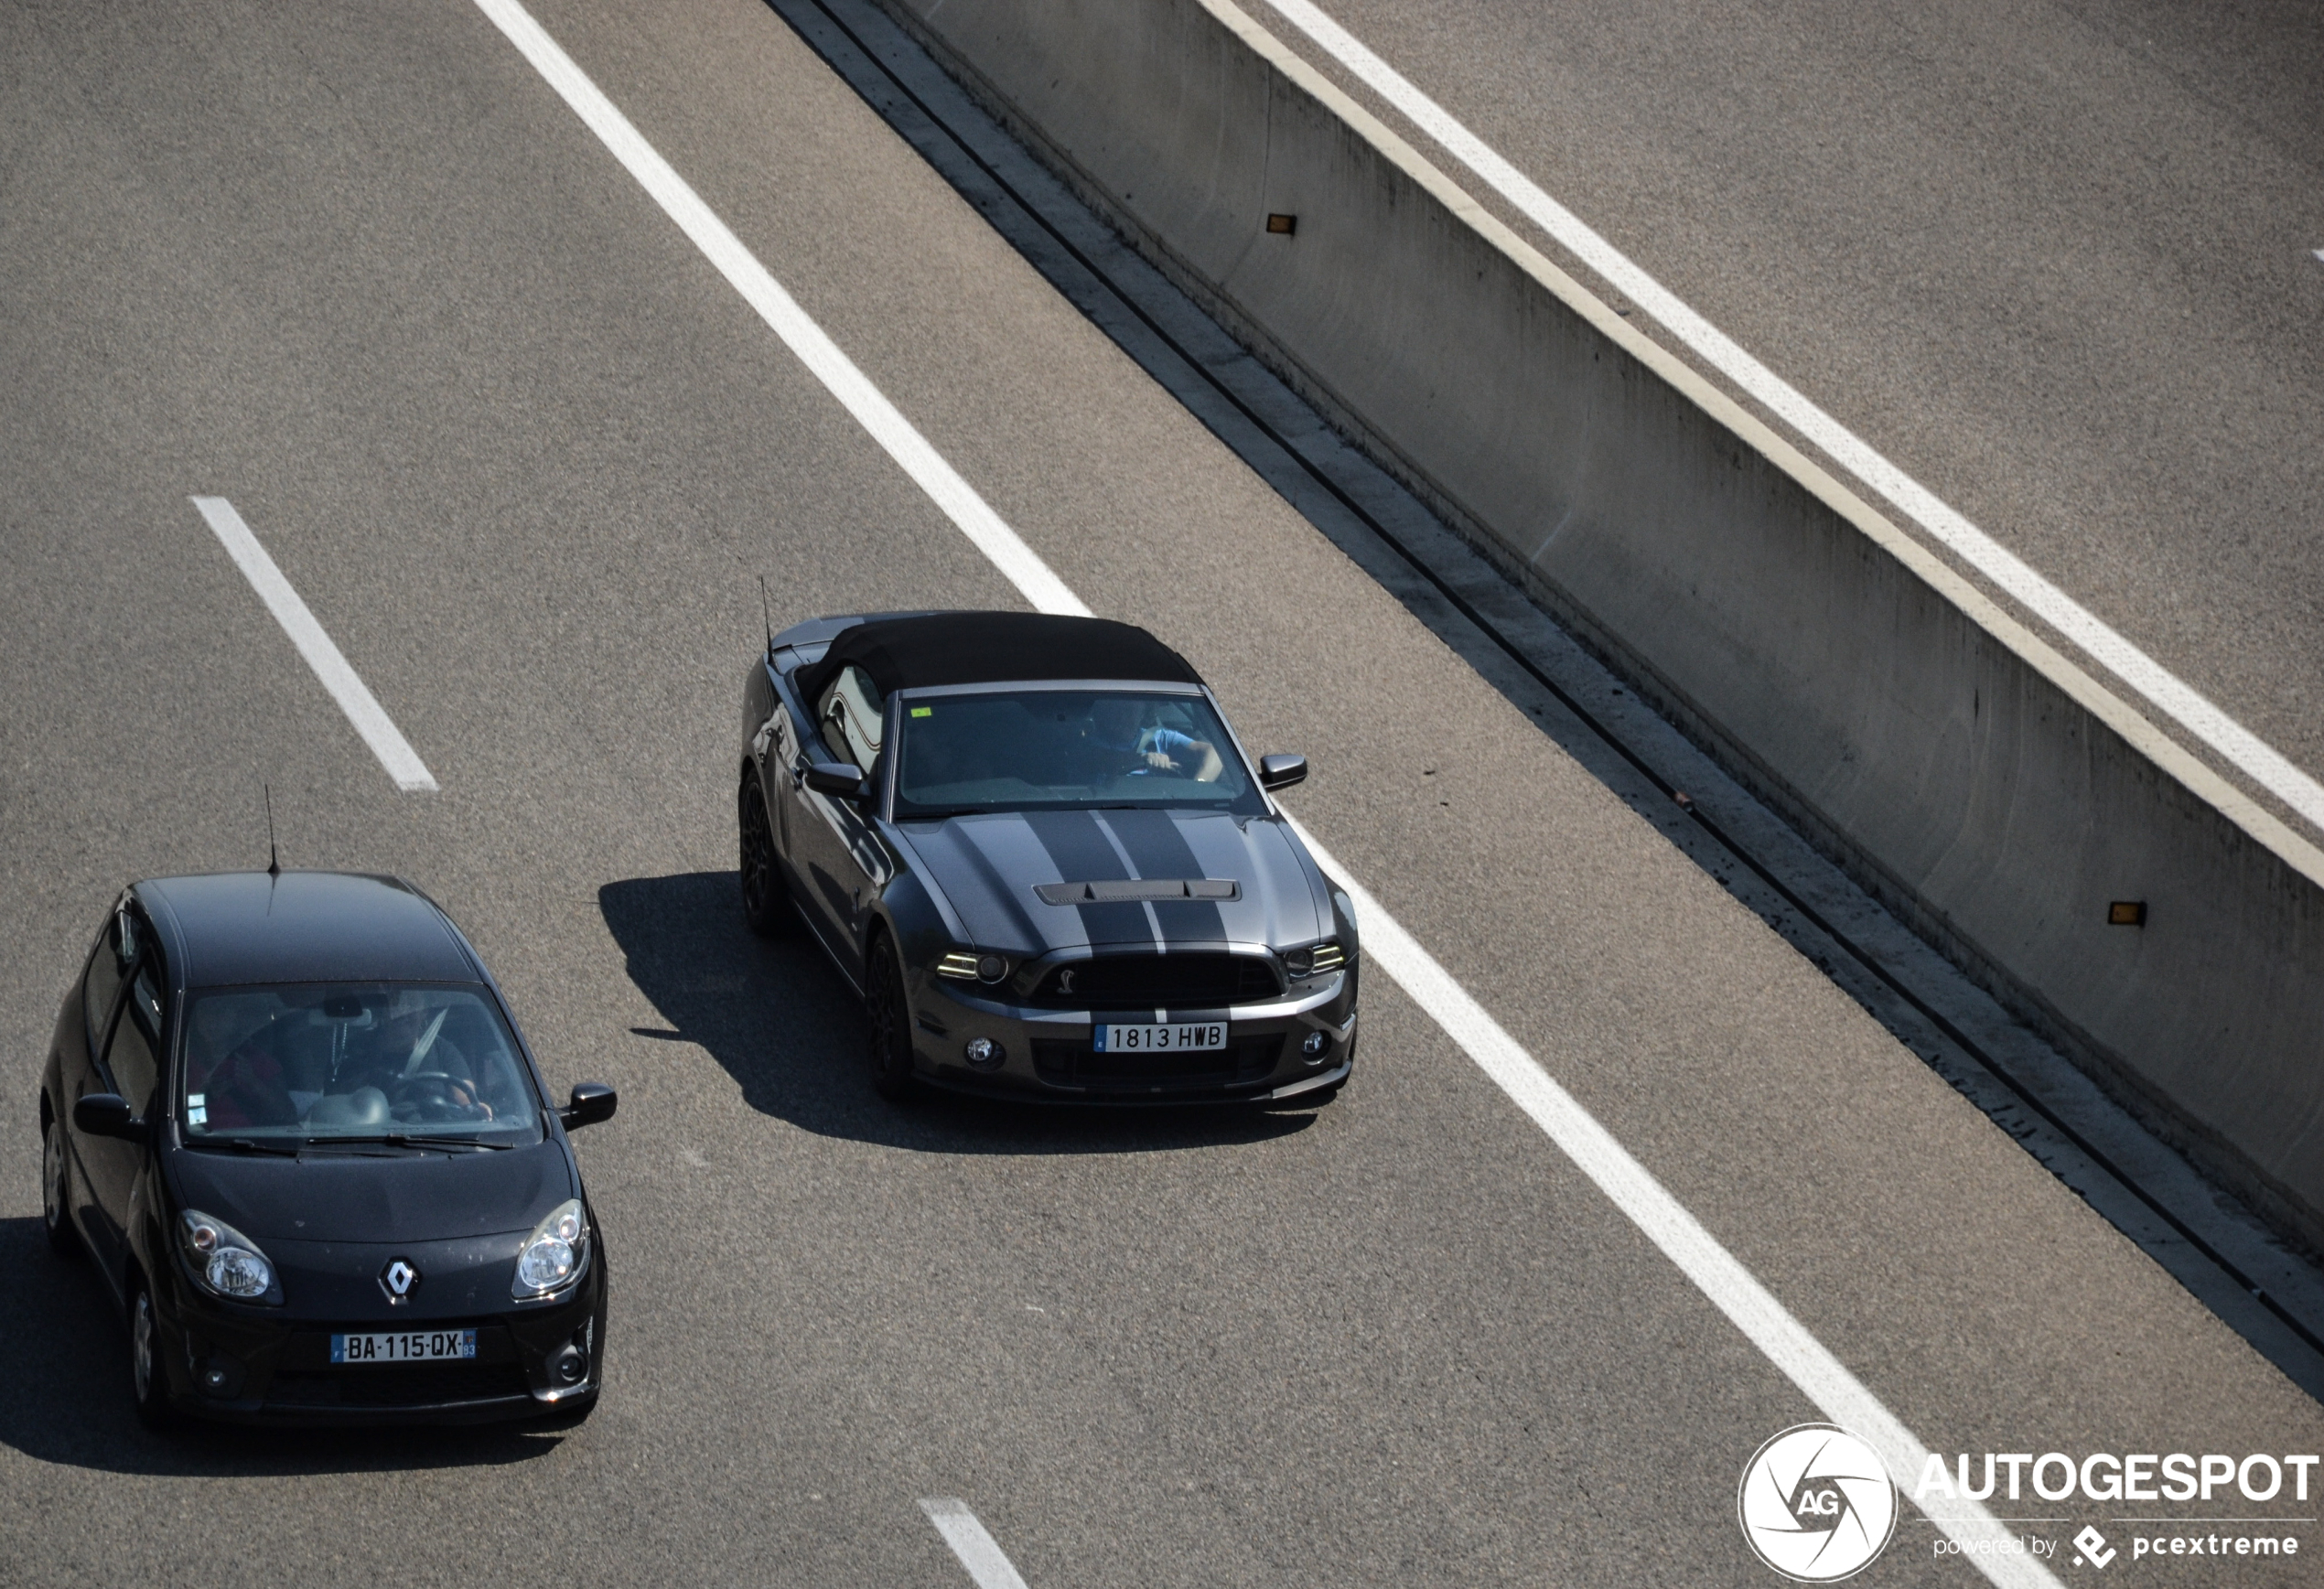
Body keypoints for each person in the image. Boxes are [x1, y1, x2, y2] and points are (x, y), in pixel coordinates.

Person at [1085, 698, 1222, 782]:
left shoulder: (1160, 738)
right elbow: (1097, 762)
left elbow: (1214, 753)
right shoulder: (1089, 740)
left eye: (1130, 710)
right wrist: (1143, 760)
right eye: (1117, 709)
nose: (1122, 717)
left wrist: (1198, 786)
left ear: (1144, 712)